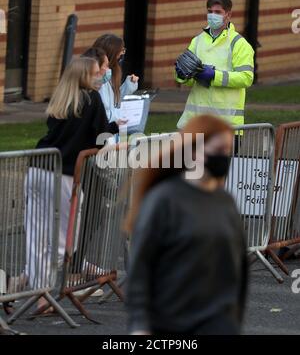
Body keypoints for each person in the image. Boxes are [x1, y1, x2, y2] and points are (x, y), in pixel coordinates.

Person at [125, 114, 248, 335]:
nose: (224, 158)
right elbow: (141, 267)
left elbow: (239, 267)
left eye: (228, 152)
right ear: (194, 150)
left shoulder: (226, 202)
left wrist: (234, 319)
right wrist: (140, 326)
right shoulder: (164, 200)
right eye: (219, 150)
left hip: (218, 324)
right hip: (171, 323)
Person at [24, 55, 125, 310]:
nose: (101, 76)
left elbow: (77, 131)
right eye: (95, 73)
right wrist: (117, 142)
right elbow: (98, 139)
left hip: (39, 168)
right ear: (84, 77)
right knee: (64, 241)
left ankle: (39, 294)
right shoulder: (92, 100)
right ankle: (41, 293)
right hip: (65, 175)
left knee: (36, 235)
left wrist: (110, 127)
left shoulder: (63, 99)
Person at [175, 0, 254, 131]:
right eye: (210, 11)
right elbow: (188, 81)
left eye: (217, 12)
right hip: (195, 123)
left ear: (228, 15)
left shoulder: (239, 44)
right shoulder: (197, 41)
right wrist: (181, 75)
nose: (212, 15)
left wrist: (214, 76)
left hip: (225, 126)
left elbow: (246, 78)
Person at [91, 34, 139, 126]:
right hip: (103, 131)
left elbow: (114, 103)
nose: (122, 53)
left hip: (113, 128)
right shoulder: (96, 79)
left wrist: (127, 87)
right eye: (120, 50)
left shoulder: (110, 74)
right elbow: (103, 107)